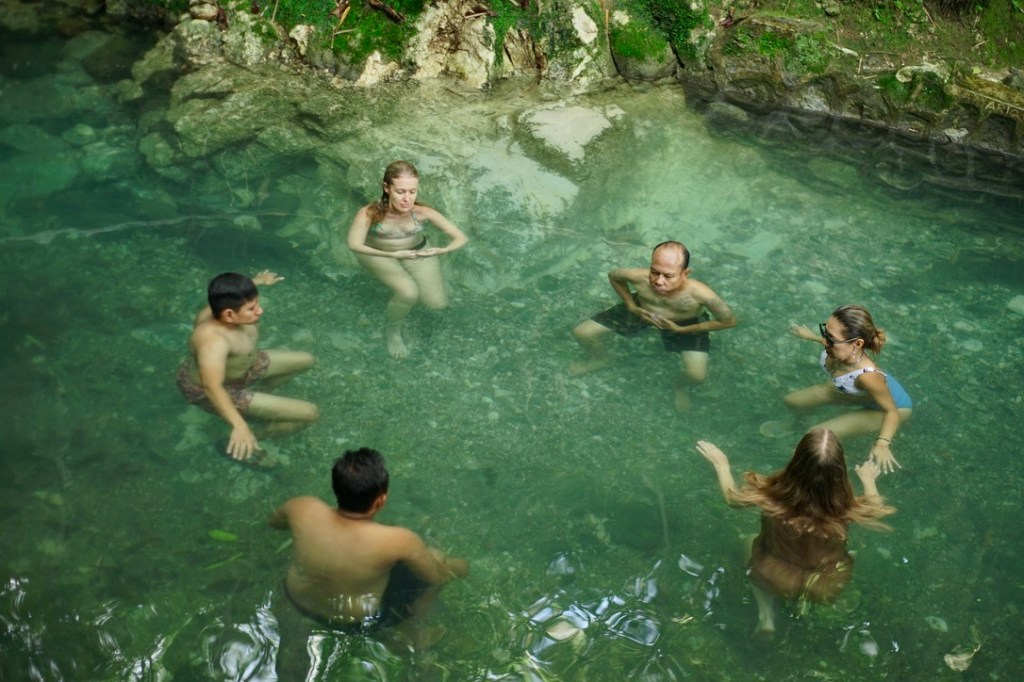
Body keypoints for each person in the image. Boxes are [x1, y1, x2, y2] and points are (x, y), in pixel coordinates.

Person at [696, 429, 895, 637]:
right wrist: (868, 480)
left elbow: (732, 500)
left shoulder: (770, 497)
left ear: (796, 461)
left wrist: (722, 465)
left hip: (774, 575)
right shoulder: (846, 508)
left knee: (747, 541)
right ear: (840, 471)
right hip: (823, 584)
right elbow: (875, 510)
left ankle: (766, 617)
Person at [269, 448, 469, 643]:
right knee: (443, 562)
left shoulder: (302, 507)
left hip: (296, 599)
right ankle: (416, 630)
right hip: (355, 622)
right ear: (381, 500)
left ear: (336, 488)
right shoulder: (397, 540)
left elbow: (275, 523)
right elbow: (435, 577)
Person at [570, 240, 737, 409]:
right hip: (642, 310)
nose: (658, 281)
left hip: (684, 322)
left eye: (668, 275)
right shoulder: (639, 277)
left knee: (696, 376)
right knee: (582, 333)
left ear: (685, 273)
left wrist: (681, 329)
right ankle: (602, 359)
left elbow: (728, 321)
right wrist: (630, 305)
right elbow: (614, 276)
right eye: (654, 272)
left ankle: (677, 386)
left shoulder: (700, 294)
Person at [177, 271, 317, 463]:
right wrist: (240, 426)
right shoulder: (213, 341)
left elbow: (225, 292)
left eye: (257, 303)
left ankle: (260, 398)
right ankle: (250, 435)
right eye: (251, 308)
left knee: (306, 360)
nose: (260, 311)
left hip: (243, 368)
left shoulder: (222, 305)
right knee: (309, 414)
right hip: (216, 389)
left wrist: (258, 281)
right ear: (229, 314)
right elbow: (211, 387)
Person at [346, 160, 468, 359]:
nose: (407, 198)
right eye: (401, 191)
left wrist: (442, 250)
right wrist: (392, 255)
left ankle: (413, 291)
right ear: (387, 187)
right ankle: (393, 331)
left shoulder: (422, 213)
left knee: (437, 304)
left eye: (412, 191)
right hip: (377, 253)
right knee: (408, 292)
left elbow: (461, 238)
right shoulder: (370, 213)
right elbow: (354, 244)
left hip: (416, 251)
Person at [784, 304, 912, 473]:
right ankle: (799, 423)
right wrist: (810, 336)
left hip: (892, 408)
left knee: (814, 436)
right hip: (851, 391)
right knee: (792, 401)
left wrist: (882, 442)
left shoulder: (869, 376)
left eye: (830, 338)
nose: (825, 341)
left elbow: (892, 411)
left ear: (857, 344)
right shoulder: (838, 347)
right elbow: (827, 341)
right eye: (825, 333)